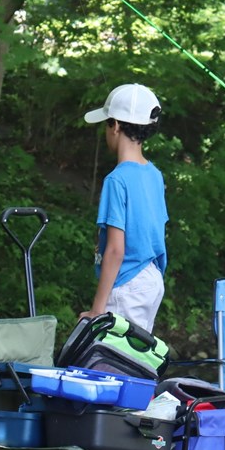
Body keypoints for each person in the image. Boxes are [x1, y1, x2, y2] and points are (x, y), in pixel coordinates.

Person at [82, 83, 168, 333]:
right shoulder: (154, 175)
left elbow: (116, 250)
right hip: (151, 278)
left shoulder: (116, 180)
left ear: (116, 126)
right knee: (135, 361)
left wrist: (97, 311)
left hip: (127, 282)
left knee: (114, 362)